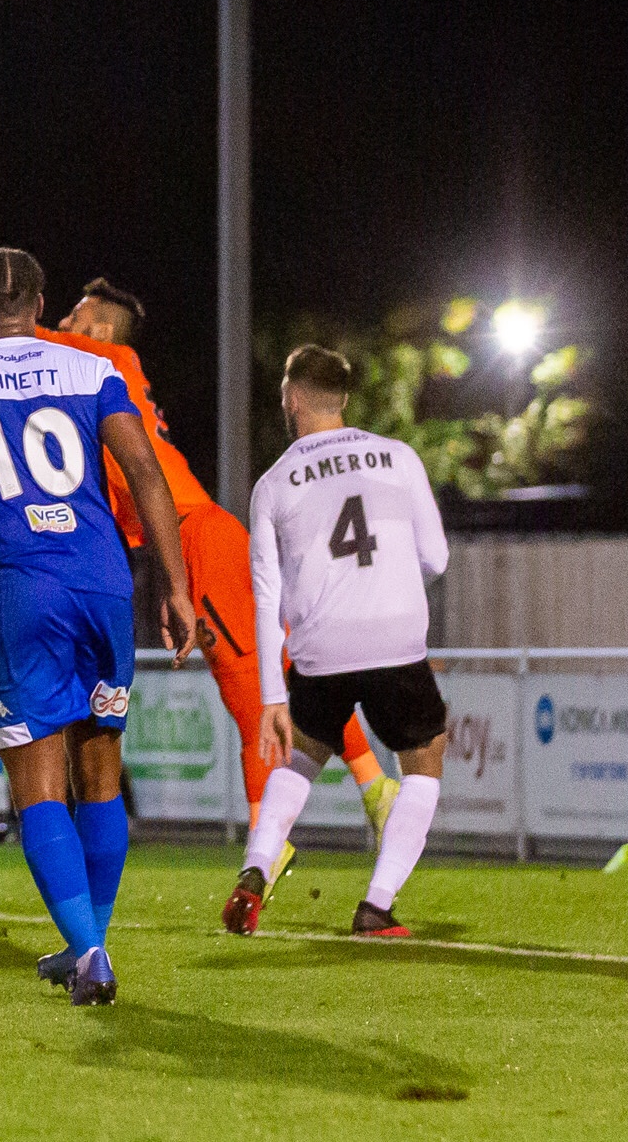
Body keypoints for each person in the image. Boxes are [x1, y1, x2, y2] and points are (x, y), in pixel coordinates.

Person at [0, 235, 397, 876]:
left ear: (95, 326)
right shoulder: (82, 372)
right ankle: (375, 787)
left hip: (197, 535)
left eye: (69, 315)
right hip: (182, 540)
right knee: (287, 677)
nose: (58, 325)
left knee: (254, 699)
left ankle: (267, 854)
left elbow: (13, 330)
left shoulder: (108, 356)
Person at [0, 247, 198, 1006]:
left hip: (19, 588)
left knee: (38, 785)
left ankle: (88, 951)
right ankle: (91, 945)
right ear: (42, 302)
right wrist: (176, 588)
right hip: (102, 580)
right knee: (102, 775)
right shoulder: (92, 369)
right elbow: (146, 473)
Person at [221, 346, 450, 940]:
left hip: (320, 646)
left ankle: (255, 870)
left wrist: (274, 696)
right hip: (395, 638)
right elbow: (437, 558)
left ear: (293, 397)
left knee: (298, 759)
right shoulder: (397, 456)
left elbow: (266, 598)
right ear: (342, 398)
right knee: (423, 762)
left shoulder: (273, 483)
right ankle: (376, 906)